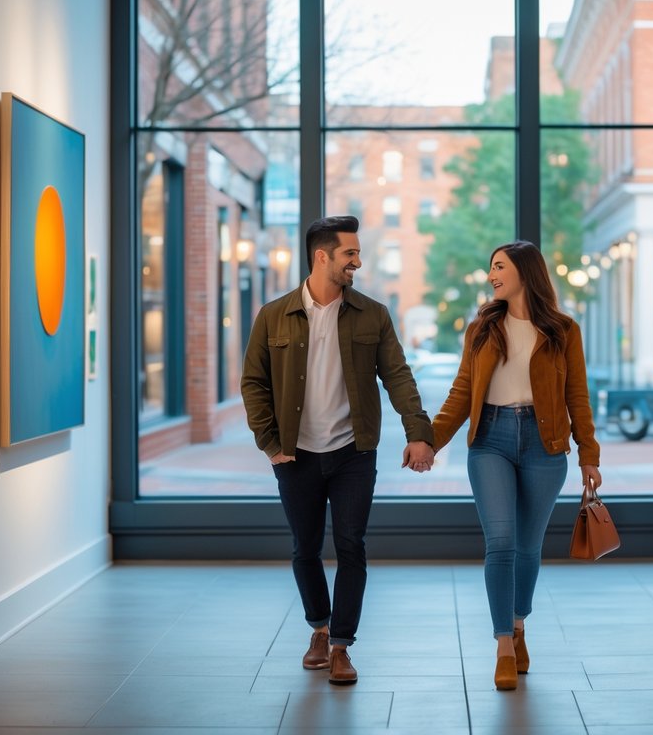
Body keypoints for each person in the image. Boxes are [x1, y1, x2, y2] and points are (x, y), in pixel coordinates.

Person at [240, 215, 436, 686]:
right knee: (305, 549)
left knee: (351, 546)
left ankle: (342, 645)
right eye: (350, 253)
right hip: (295, 454)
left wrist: (419, 431)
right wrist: (269, 443)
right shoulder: (273, 315)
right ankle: (318, 629)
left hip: (353, 451)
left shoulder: (373, 314)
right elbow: (253, 383)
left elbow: (398, 376)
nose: (358, 261)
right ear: (321, 256)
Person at [430, 240, 602, 690]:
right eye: (490, 267)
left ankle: (520, 622)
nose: (491, 275)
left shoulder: (564, 330)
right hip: (490, 440)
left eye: (499, 267)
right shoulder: (482, 329)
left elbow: (577, 397)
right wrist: (428, 441)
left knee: (528, 547)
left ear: (525, 271)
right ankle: (504, 643)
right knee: (501, 541)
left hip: (545, 445)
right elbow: (462, 393)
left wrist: (589, 454)